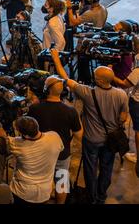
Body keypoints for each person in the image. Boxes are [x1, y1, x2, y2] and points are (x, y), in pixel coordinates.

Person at [51, 49, 130, 204]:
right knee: (106, 168)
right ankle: (101, 196)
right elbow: (123, 117)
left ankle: (92, 197)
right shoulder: (121, 94)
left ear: (99, 81)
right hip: (110, 140)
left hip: (92, 139)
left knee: (90, 169)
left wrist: (56, 58)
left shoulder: (87, 92)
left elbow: (65, 78)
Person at [28, 76, 83, 204]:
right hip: (62, 154)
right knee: (62, 183)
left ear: (45, 90)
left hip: (40, 152)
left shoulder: (34, 109)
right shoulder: (71, 111)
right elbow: (79, 135)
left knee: (40, 181)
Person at [8, 116, 64, 204]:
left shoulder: (16, 143)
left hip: (22, 191)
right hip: (44, 192)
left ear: (25, 135)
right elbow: (61, 148)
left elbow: (5, 139)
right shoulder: (54, 136)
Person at [113, 67, 139, 178]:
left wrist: (111, 75)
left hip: (138, 103)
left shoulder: (138, 71)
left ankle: (138, 157)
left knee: (138, 130)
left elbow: (124, 84)